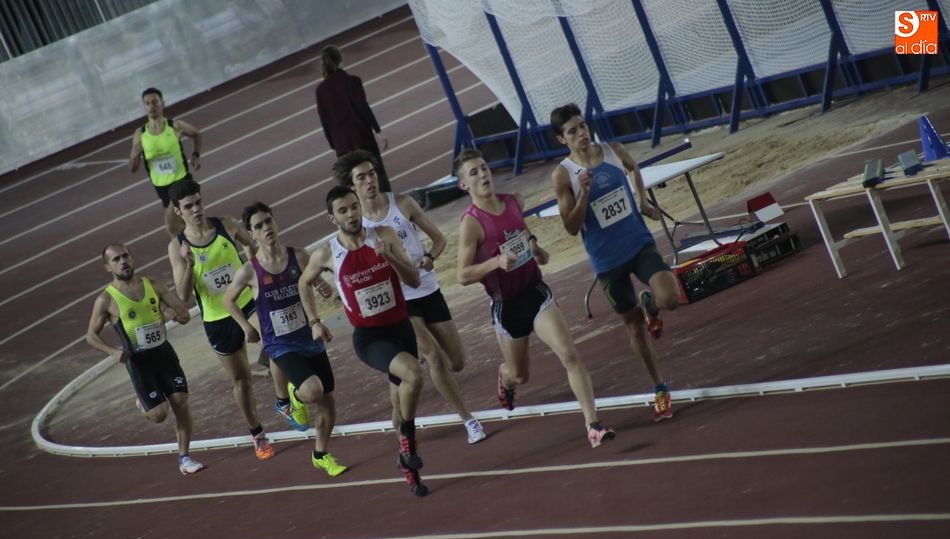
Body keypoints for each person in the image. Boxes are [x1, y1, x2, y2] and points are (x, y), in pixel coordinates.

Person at [454, 149, 616, 448]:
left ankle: (593, 424)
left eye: (484, 168)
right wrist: (494, 263)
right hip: (507, 305)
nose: (483, 175)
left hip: (535, 292)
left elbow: (522, 232)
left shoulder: (514, 200)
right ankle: (505, 375)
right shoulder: (471, 223)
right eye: (473, 173)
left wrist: (534, 247)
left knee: (569, 353)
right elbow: (462, 275)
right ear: (464, 185)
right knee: (520, 375)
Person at [333, 150, 487, 445]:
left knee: (457, 362)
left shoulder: (402, 203)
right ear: (352, 186)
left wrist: (430, 256)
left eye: (372, 174)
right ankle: (469, 421)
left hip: (427, 288)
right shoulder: (356, 225)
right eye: (361, 178)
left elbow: (439, 239)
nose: (369, 182)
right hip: (398, 301)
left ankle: (401, 381)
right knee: (434, 357)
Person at [550, 103, 678, 422]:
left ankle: (652, 304)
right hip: (608, 263)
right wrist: (583, 195)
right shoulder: (563, 175)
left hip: (638, 243)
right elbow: (570, 227)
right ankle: (660, 388)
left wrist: (643, 203)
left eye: (582, 126)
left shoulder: (612, 150)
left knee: (671, 298)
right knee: (634, 328)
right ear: (561, 139)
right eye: (572, 131)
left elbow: (634, 167)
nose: (581, 134)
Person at [300, 185, 428, 497]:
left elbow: (413, 279)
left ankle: (407, 468)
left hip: (400, 327)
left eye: (353, 207)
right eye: (343, 211)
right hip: (370, 338)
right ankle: (408, 442)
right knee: (413, 374)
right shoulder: (328, 253)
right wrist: (315, 321)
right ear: (333, 218)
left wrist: (392, 259)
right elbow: (304, 282)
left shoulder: (383, 236)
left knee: (399, 402)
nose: (351, 214)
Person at [223, 202, 348, 477]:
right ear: (251, 234)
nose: (266, 228)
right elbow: (227, 300)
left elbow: (311, 278)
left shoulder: (299, 256)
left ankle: (321, 454)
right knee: (313, 391)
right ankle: (293, 393)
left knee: (328, 401)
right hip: (279, 345)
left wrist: (321, 285)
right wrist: (246, 327)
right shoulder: (250, 271)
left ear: (275, 223)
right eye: (258, 226)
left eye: (268, 221)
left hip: (308, 336)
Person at [166, 178, 279, 461]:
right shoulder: (177, 247)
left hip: (247, 301)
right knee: (241, 381)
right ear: (179, 211)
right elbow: (183, 294)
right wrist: (190, 264)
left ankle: (284, 400)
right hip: (218, 318)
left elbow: (253, 243)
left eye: (198, 202)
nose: (196, 210)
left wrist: (255, 268)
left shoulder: (225, 225)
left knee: (278, 345)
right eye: (188, 206)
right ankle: (257, 434)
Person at [85, 243, 204, 475]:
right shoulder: (106, 300)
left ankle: (184, 457)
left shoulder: (154, 286)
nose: (123, 262)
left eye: (126, 256)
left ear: (132, 257)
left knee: (181, 402)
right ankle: (143, 402)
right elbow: (91, 336)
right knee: (159, 415)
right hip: (140, 364)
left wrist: (174, 314)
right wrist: (113, 351)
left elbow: (184, 315)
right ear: (108, 267)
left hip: (164, 355)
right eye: (117, 259)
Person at [315, 45, 391, 192]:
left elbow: (324, 120)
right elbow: (362, 106)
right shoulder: (353, 81)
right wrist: (378, 130)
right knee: (377, 176)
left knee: (352, 185)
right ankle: (389, 209)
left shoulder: (321, 90)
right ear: (340, 60)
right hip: (363, 138)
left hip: (342, 146)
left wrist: (334, 144)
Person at [129, 87, 202, 237]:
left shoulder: (175, 126)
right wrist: (133, 155)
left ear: (163, 103)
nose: (151, 106)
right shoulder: (140, 135)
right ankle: (198, 248)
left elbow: (196, 134)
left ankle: (182, 256)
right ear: (144, 107)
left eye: (155, 102)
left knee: (172, 226)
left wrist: (195, 155)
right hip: (161, 186)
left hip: (182, 180)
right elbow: (133, 169)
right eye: (147, 103)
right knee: (185, 222)